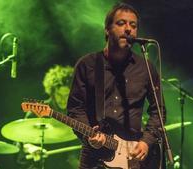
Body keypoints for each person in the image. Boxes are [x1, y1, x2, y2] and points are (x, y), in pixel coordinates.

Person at [67, 3, 166, 169]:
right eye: (121, 23)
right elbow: (75, 109)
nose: (128, 29)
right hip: (95, 158)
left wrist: (146, 142)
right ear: (107, 30)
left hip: (133, 156)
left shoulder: (146, 68)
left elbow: (159, 110)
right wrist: (89, 136)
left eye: (133, 25)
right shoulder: (88, 65)